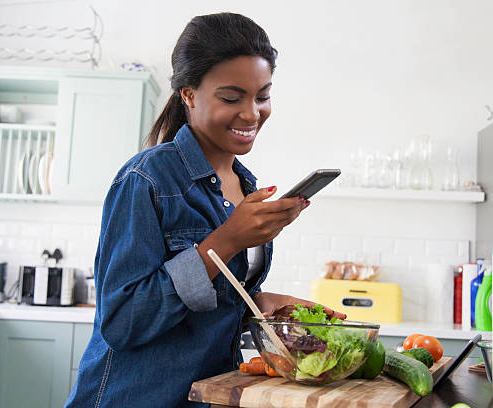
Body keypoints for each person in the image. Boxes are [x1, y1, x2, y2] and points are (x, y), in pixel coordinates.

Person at [65, 12, 344, 408]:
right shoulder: (146, 180)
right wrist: (227, 240)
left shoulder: (245, 184)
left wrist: (270, 306)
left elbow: (213, 303)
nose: (251, 113)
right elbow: (123, 321)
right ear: (189, 94)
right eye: (232, 97)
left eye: (262, 96)